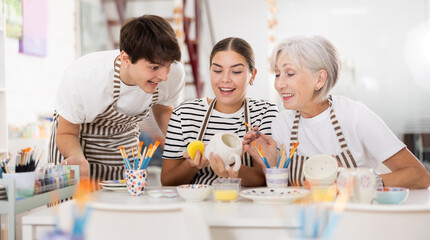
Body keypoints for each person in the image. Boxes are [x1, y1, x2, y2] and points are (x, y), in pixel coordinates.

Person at [244, 36, 430, 189]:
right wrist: (271, 163)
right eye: (277, 74)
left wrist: (359, 182)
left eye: (289, 74)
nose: (279, 84)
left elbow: (419, 175)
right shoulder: (282, 123)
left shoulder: (355, 115)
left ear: (320, 79)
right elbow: (287, 191)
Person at [48, 15, 185, 181]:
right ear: (126, 59)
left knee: (121, 202)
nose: (164, 76)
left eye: (168, 65)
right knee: (76, 206)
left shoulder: (174, 74)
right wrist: (77, 158)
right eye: (154, 67)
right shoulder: (84, 77)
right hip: (77, 142)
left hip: (123, 145)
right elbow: (67, 132)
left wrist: (183, 146)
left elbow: (163, 109)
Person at [161, 37, 279, 186]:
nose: (225, 79)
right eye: (217, 70)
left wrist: (233, 169)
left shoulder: (265, 112)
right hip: (197, 205)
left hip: (246, 205)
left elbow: (264, 178)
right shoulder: (184, 114)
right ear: (210, 71)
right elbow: (167, 181)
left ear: (252, 75)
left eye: (236, 71)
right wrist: (191, 165)